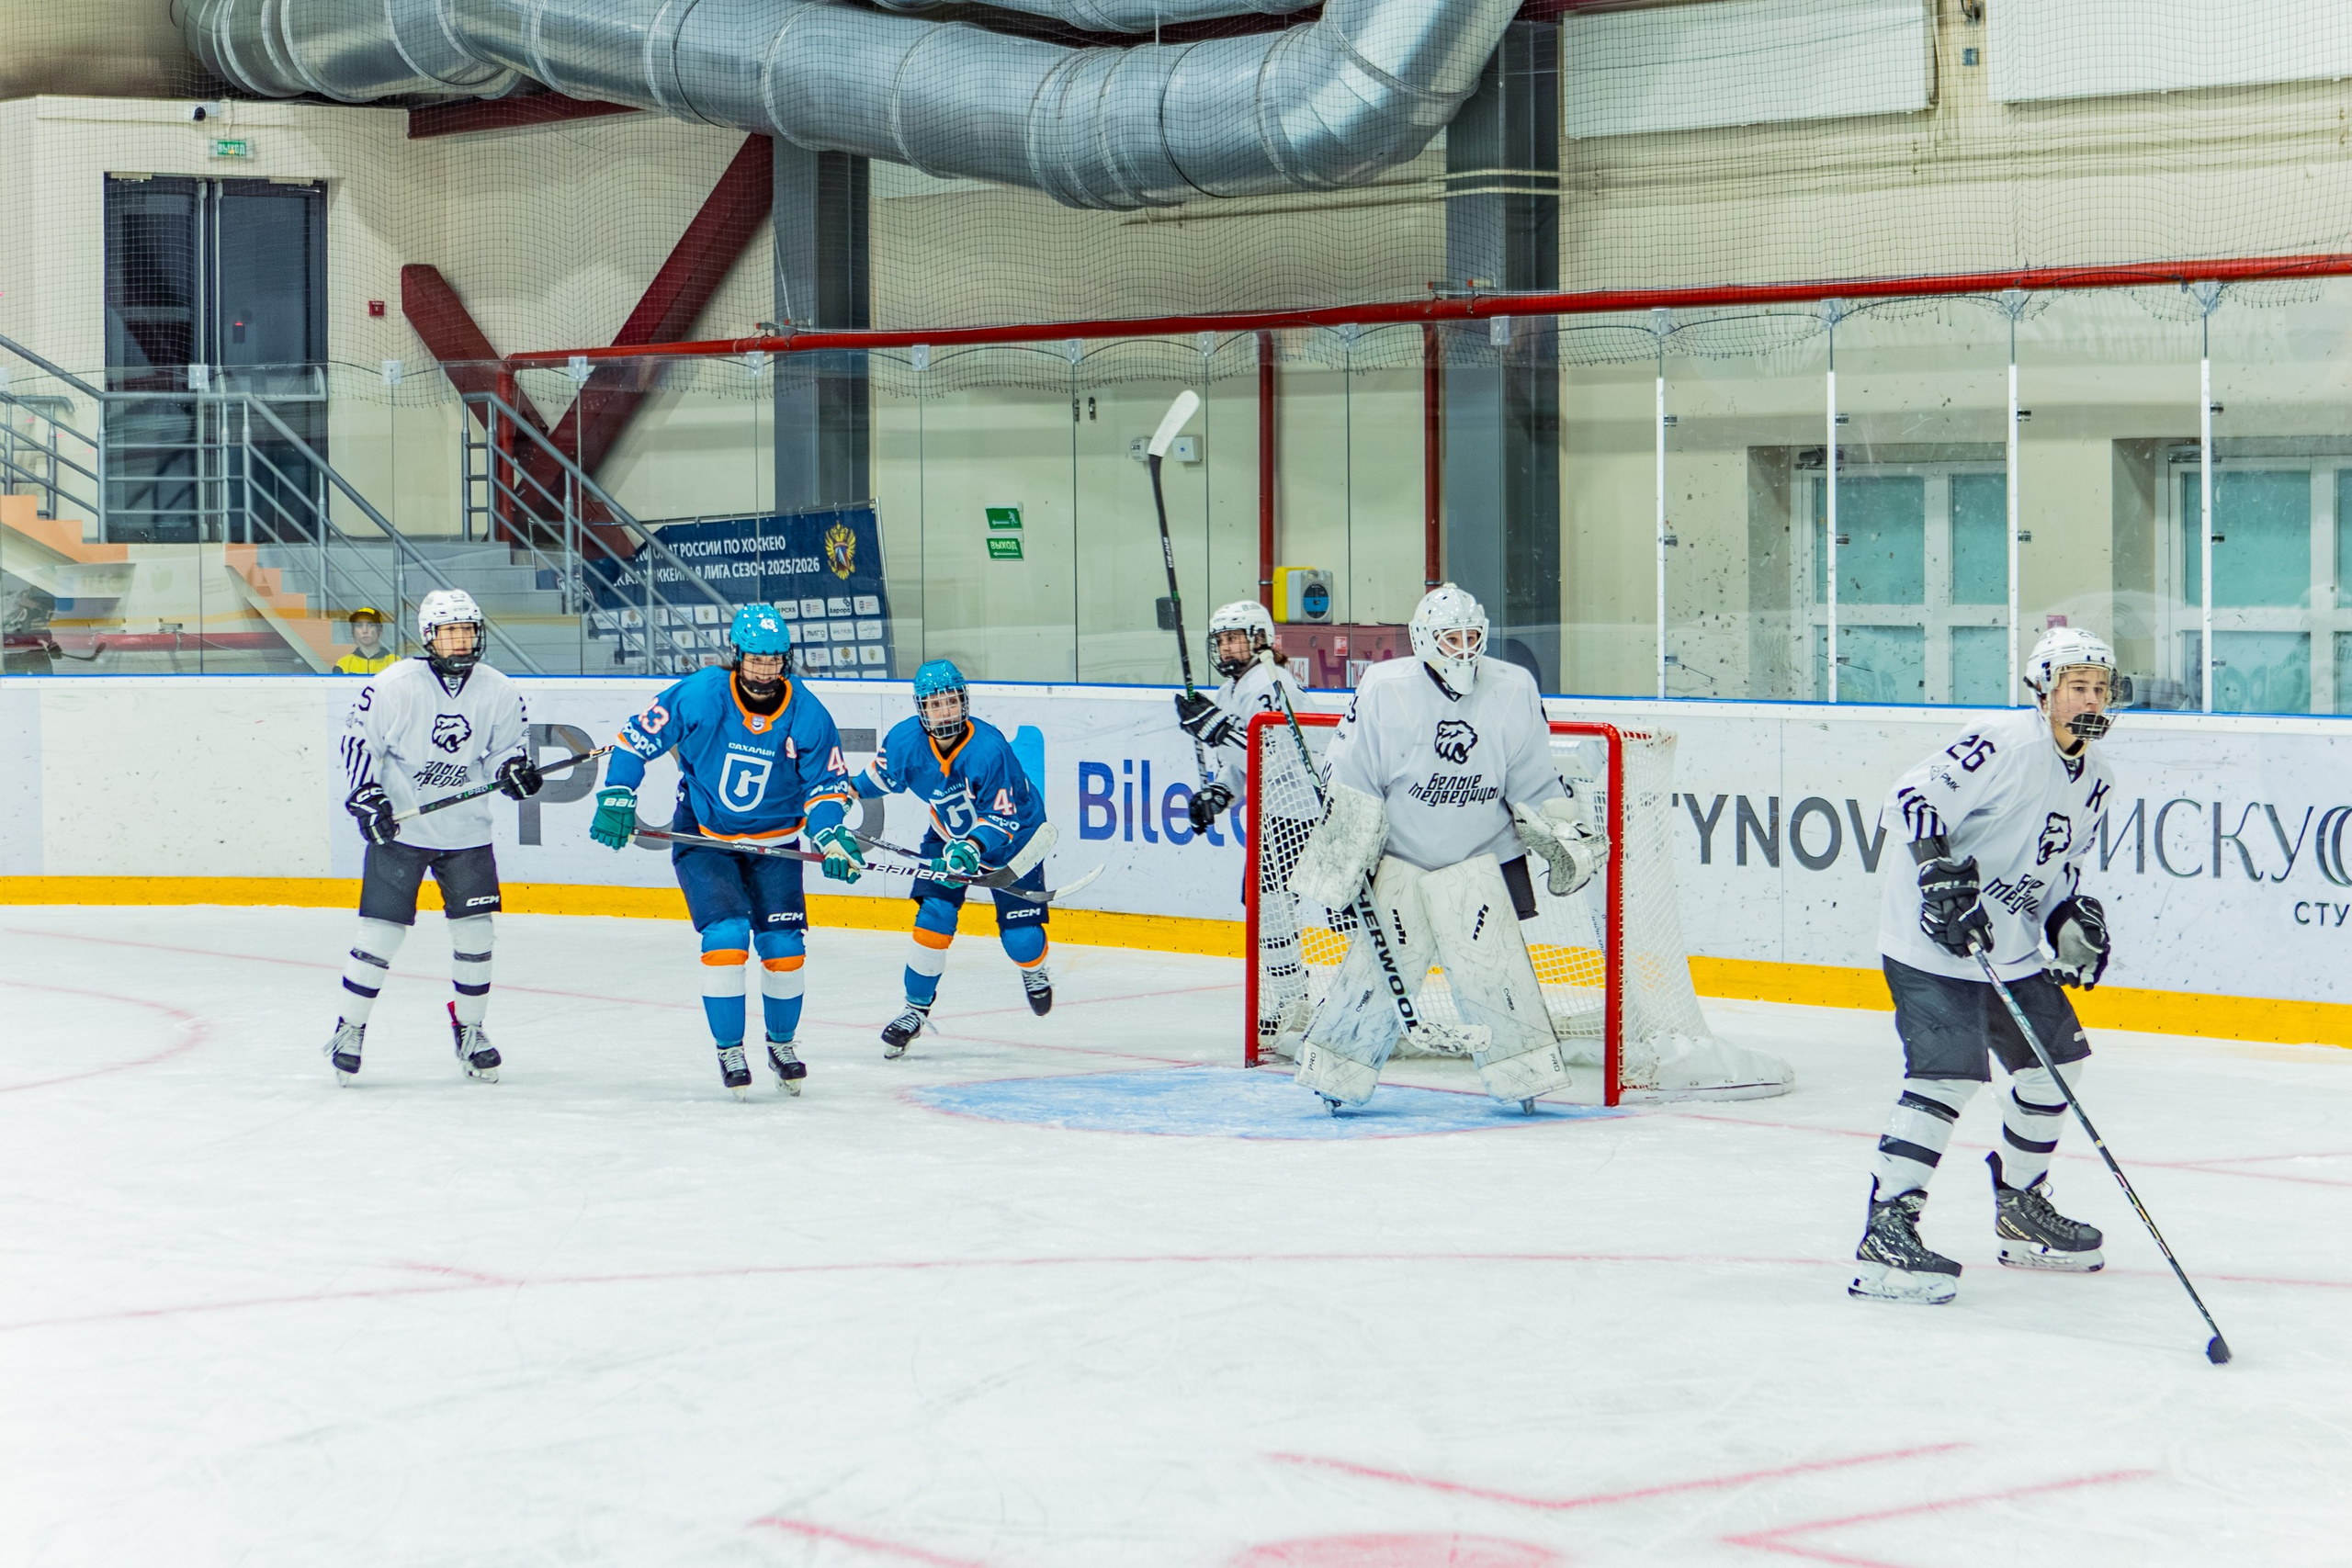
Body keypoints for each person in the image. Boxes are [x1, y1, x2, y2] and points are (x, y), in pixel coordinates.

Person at [1849, 626, 2121, 1305]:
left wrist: (2069, 920)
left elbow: (2058, 872)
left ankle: (2021, 1209)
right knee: (1946, 1077)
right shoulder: (2002, 741)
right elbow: (1910, 799)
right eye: (2077, 686)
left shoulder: (2099, 781)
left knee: (2057, 1062)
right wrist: (1939, 875)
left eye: (2100, 687)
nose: (2091, 697)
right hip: (1931, 940)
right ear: (2044, 691)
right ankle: (1888, 1229)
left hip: (2008, 947)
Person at [1283, 583, 1606, 1111]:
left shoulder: (1513, 687)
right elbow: (1351, 776)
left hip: (1482, 859)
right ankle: (1336, 1074)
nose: (1463, 649)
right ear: (1422, 639)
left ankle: (1523, 1076)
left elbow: (1533, 780)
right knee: (1374, 974)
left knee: (1494, 973)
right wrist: (1347, 853)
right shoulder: (1386, 688)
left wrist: (1560, 833)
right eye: (1450, 638)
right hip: (1400, 859)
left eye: (1471, 636)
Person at [587, 604, 857, 1100]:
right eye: (754, 659)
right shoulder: (702, 694)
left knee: (784, 949)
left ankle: (782, 1044)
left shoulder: (809, 714)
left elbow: (826, 788)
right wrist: (617, 793)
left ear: (786, 660)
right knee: (728, 937)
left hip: (776, 845)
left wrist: (831, 834)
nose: (764, 669)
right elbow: (635, 739)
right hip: (706, 837)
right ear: (737, 656)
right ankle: (730, 1047)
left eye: (773, 659)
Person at [326, 589, 541, 1084]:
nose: (461, 641)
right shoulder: (395, 685)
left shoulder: (500, 690)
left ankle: (471, 1029)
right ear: (429, 637)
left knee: (476, 936)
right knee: (379, 935)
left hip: (467, 833)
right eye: (450, 632)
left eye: (468, 630)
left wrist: (513, 771)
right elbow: (360, 741)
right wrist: (367, 797)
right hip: (401, 830)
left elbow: (504, 749)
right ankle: (349, 1028)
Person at [833, 660, 1053, 1057]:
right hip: (947, 837)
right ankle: (914, 1010)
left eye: (950, 703)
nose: (944, 712)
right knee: (933, 920)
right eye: (935, 705)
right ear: (921, 709)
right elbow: (875, 781)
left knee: (1023, 942)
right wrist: (842, 794)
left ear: (964, 703)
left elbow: (1002, 819)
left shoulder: (990, 749)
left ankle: (1034, 970)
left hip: (1013, 840)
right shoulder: (905, 742)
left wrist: (972, 847)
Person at [1172, 599, 1313, 1048]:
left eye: (1234, 638)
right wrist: (1219, 794)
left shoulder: (1270, 681)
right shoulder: (1235, 689)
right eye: (1222, 640)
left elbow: (1275, 754)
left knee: (1273, 909)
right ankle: (1294, 1003)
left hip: (1302, 811)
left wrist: (1215, 728)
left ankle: (1300, 1005)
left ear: (1259, 639)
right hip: (1274, 813)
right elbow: (1243, 765)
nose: (1227, 648)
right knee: (1266, 909)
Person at [333, 606, 398, 674]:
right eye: (359, 625)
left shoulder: (395, 662)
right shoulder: (343, 664)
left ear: (380, 631)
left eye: (370, 625)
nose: (365, 630)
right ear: (353, 632)